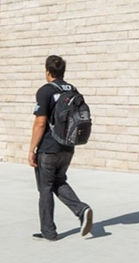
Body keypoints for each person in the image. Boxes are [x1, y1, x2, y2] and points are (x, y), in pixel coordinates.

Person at [29, 55, 94, 241]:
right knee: (58, 181)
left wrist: (31, 149)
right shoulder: (73, 90)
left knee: (45, 188)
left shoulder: (45, 91)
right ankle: (82, 210)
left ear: (47, 71)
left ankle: (48, 231)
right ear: (62, 72)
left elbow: (40, 123)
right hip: (68, 146)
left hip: (48, 148)